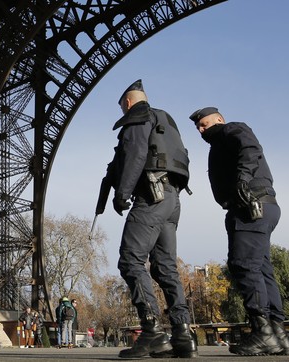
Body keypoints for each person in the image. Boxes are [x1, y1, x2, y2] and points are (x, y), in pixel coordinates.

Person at [189, 107, 289, 356]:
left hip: (249, 206)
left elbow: (250, 148)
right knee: (262, 268)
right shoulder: (222, 141)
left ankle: (263, 331)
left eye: (205, 124)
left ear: (219, 119)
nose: (203, 130)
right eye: (199, 128)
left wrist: (242, 181)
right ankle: (277, 334)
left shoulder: (231, 129)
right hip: (263, 205)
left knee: (243, 265)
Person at [105, 79, 196, 359]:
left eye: (122, 107)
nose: (122, 112)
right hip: (172, 199)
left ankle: (152, 330)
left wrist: (122, 193)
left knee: (130, 259)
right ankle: (182, 334)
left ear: (128, 103)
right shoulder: (165, 119)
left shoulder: (137, 116)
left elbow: (135, 154)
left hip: (151, 196)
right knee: (165, 267)